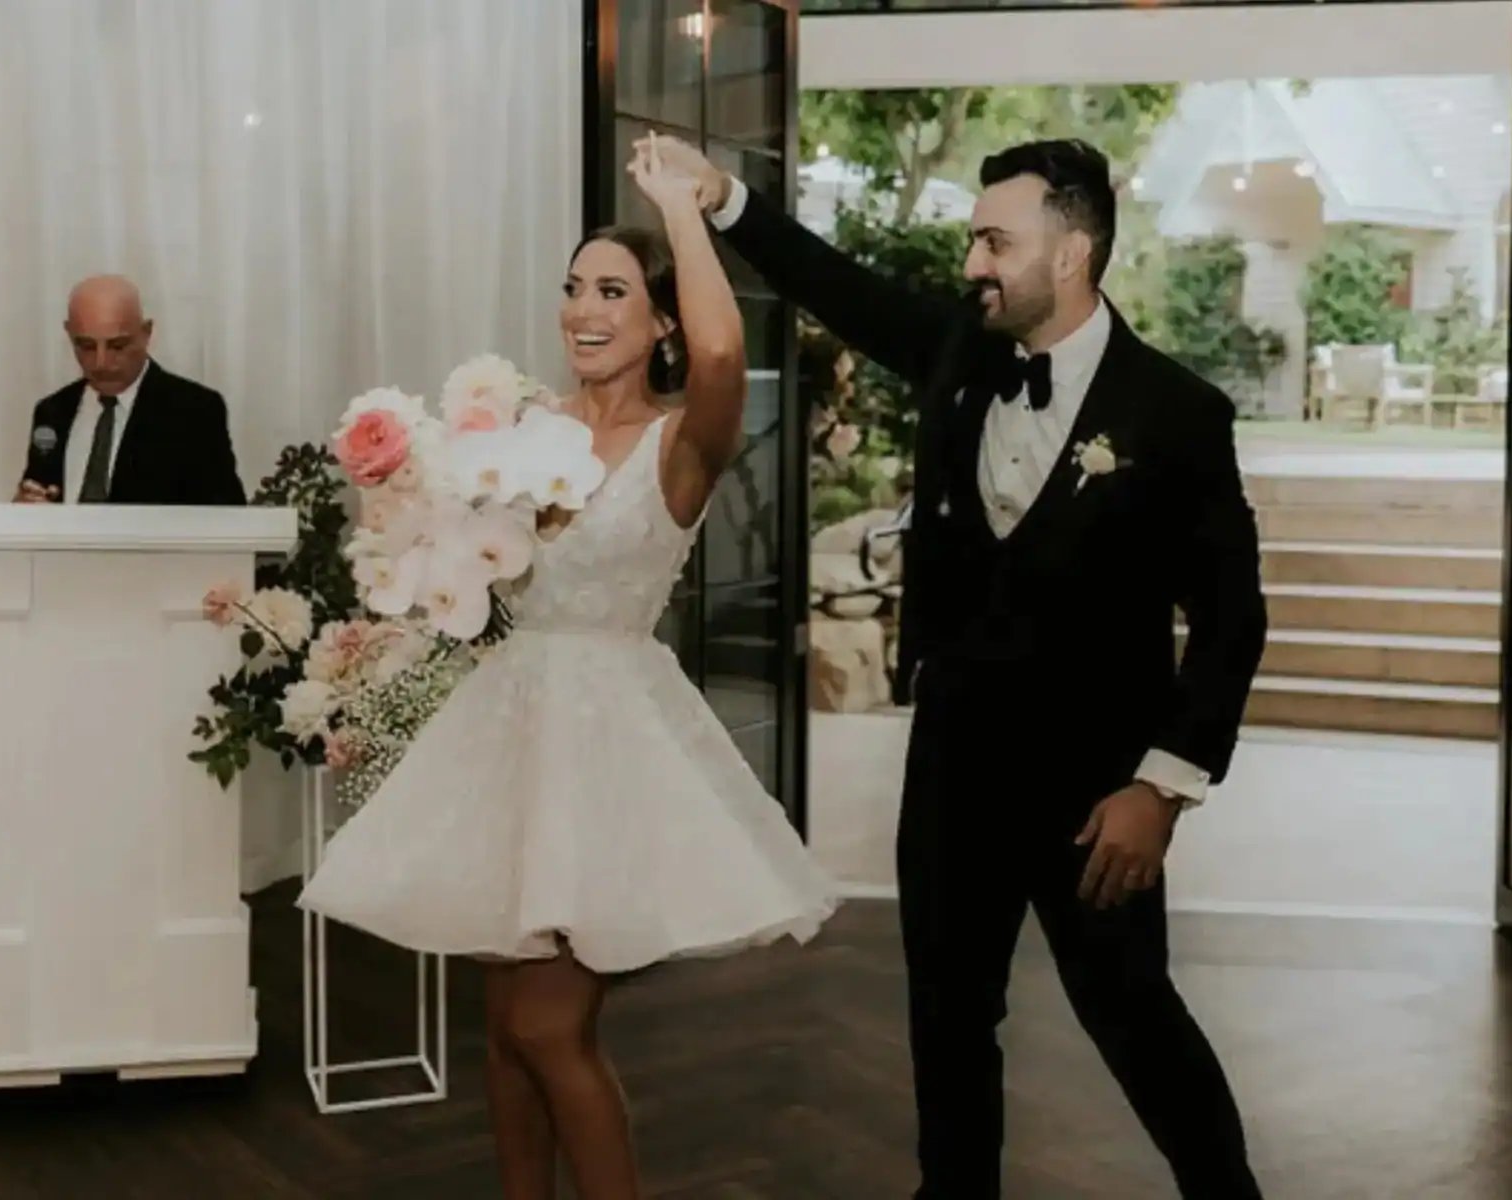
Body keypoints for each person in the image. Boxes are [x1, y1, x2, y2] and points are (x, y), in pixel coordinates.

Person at [648, 133, 1270, 1198]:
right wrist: (722, 201)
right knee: (945, 1019)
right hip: (954, 767)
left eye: (996, 239)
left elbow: (1230, 618)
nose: (973, 261)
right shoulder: (959, 353)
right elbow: (838, 287)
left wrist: (1162, 787)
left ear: (1070, 253)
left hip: (1097, 792)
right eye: (975, 239)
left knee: (1132, 1018)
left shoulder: (1175, 413)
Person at [295, 136, 839, 1200]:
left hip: (603, 746)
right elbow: (457, 567)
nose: (582, 310)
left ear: (662, 320)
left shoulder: (681, 441)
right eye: (574, 287)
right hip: (507, 729)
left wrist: (683, 208)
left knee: (550, 1026)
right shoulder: (524, 432)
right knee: (505, 1028)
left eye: (614, 291)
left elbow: (727, 360)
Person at [13, 274, 246, 506]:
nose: (101, 363)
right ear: (68, 333)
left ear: (146, 333)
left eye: (117, 346)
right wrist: (27, 512)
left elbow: (227, 518)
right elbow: (39, 495)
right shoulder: (53, 412)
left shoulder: (194, 411)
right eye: (86, 346)